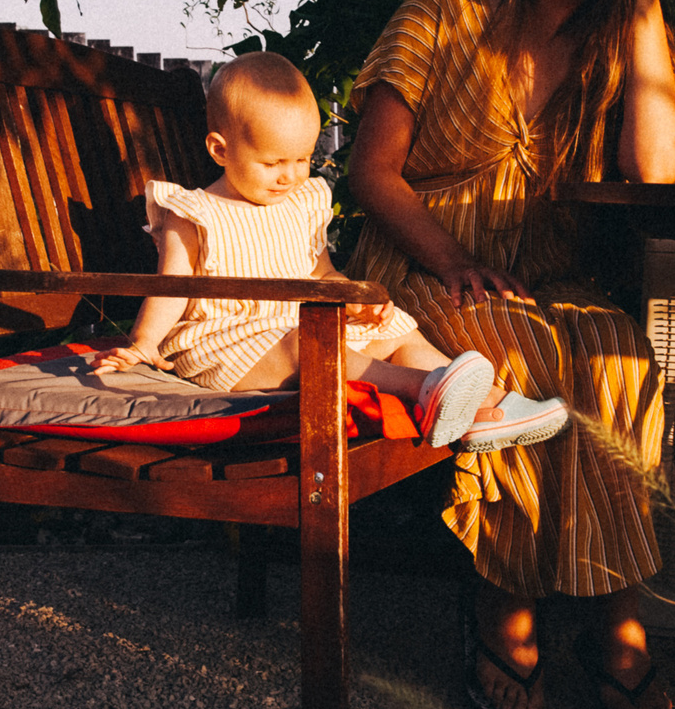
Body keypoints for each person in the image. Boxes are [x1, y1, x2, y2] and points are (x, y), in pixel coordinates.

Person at [343, 0, 675, 709]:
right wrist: (451, 256)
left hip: (546, 281)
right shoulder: (451, 5)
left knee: (615, 353)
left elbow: (653, 169)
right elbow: (371, 172)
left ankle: (603, 610)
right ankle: (524, 613)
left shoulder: (624, 45)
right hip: (413, 272)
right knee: (523, 354)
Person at [95, 51, 569, 451]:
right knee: (310, 345)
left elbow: (321, 271)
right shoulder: (195, 212)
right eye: (273, 162)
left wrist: (354, 296)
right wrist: (143, 343)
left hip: (304, 323)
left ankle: (491, 403)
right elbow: (172, 288)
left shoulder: (301, 201)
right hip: (236, 346)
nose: (290, 176)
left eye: (302, 159)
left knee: (399, 329)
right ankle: (428, 391)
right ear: (220, 150)